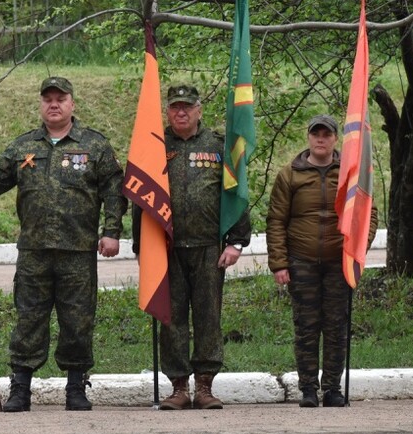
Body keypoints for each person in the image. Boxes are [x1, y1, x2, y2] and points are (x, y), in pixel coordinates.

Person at [0, 76, 126, 412]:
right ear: (41, 104)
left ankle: (76, 388)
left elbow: (113, 192)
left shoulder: (95, 146)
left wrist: (112, 232)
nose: (54, 104)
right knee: (29, 319)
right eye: (48, 99)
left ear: (73, 103)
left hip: (78, 251)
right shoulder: (23, 147)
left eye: (61, 98)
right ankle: (20, 389)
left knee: (78, 321)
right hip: (34, 251)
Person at [133, 84, 252, 411]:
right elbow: (140, 197)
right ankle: (179, 388)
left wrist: (237, 241)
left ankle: (204, 386)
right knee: (171, 320)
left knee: (207, 317)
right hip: (166, 248)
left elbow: (236, 194)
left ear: (199, 109)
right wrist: (141, 246)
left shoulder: (218, 146)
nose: (180, 112)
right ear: (167, 112)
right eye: (174, 107)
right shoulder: (155, 147)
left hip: (207, 249)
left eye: (187, 107)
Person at [266, 114, 378, 408]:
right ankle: (308, 389)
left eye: (326, 134)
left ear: (335, 139)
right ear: (308, 137)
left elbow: (369, 214)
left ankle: (331, 388)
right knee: (306, 327)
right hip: (301, 261)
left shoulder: (351, 173)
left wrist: (357, 250)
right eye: (315, 133)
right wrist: (279, 263)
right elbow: (276, 220)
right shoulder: (290, 174)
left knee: (336, 326)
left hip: (338, 264)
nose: (320, 139)